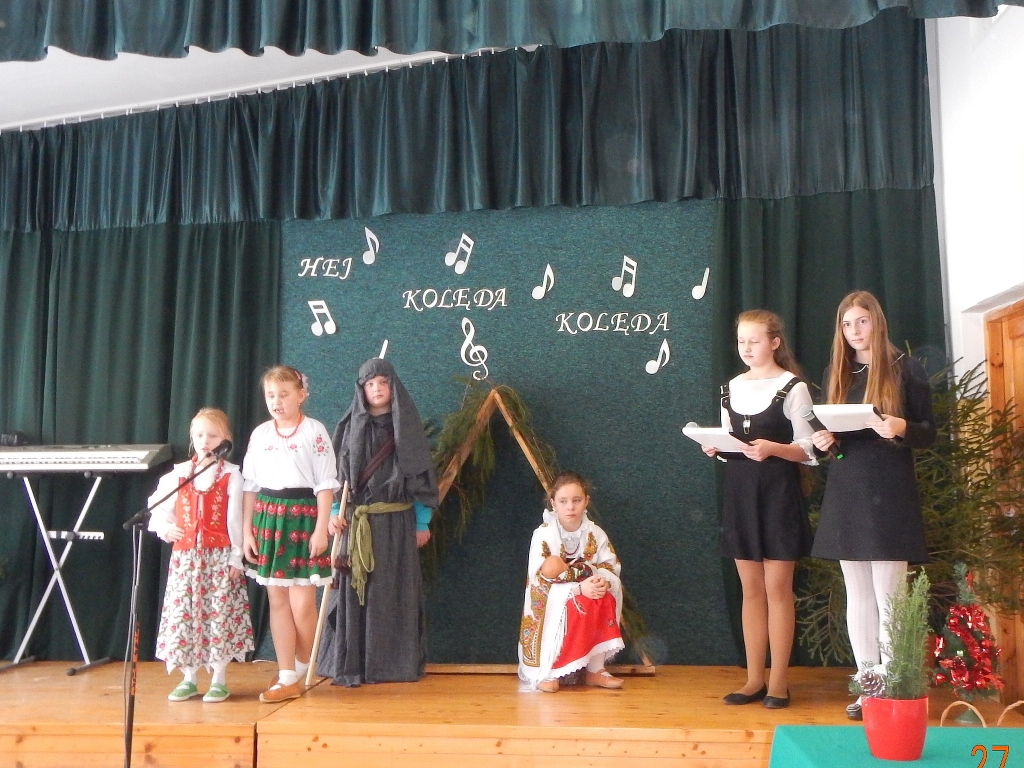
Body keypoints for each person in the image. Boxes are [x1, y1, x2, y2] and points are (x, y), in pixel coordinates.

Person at [809, 291, 936, 720]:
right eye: (846, 324)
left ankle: (894, 686)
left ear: (876, 322)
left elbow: (928, 432)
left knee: (889, 596)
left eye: (861, 321)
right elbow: (835, 438)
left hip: (889, 489)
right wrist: (825, 441)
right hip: (848, 486)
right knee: (858, 593)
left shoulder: (906, 368)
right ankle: (869, 689)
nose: (854, 331)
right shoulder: (837, 371)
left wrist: (899, 426)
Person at [705, 310, 815, 710]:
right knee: (749, 590)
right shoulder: (730, 388)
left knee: (777, 590)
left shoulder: (793, 387)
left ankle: (779, 683)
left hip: (778, 495)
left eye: (754, 340)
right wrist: (716, 447)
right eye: (741, 341)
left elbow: (809, 449)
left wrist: (774, 448)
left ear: (774, 342)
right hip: (740, 496)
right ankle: (754, 679)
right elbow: (731, 444)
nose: (746, 348)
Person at [315, 357, 438, 687]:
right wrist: (334, 513)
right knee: (358, 593)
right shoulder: (349, 428)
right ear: (362, 389)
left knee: (392, 594)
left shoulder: (407, 429)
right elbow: (338, 477)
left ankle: (392, 666)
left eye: (383, 382)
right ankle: (354, 664)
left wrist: (421, 522)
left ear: (393, 386)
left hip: (396, 525)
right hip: (357, 524)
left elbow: (420, 478)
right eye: (370, 384)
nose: (377, 389)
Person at [241, 365, 339, 703]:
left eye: (284, 394)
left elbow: (325, 485)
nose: (276, 401)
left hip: (303, 518)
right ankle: (286, 674)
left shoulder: (314, 431)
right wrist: (247, 531)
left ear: (301, 395)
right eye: (271, 395)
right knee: (277, 599)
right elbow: (250, 486)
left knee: (302, 604)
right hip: (269, 518)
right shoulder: (260, 434)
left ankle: (301, 666)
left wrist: (321, 529)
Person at [148, 407, 254, 702]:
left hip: (218, 557)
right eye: (199, 435)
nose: (205, 441)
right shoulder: (180, 474)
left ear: (225, 439)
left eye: (212, 435)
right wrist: (165, 528)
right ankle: (189, 677)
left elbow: (235, 519)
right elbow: (157, 507)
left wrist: (235, 557)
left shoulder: (231, 475)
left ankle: (219, 678)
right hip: (185, 559)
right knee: (186, 615)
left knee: (218, 615)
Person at [518, 471, 625, 693]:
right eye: (563, 501)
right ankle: (549, 670)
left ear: (586, 501)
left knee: (604, 597)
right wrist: (577, 589)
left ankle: (595, 669)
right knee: (570, 607)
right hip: (557, 601)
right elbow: (539, 579)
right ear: (553, 503)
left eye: (576, 500)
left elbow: (610, 566)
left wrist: (603, 582)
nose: (570, 507)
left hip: (588, 592)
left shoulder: (596, 534)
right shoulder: (543, 535)